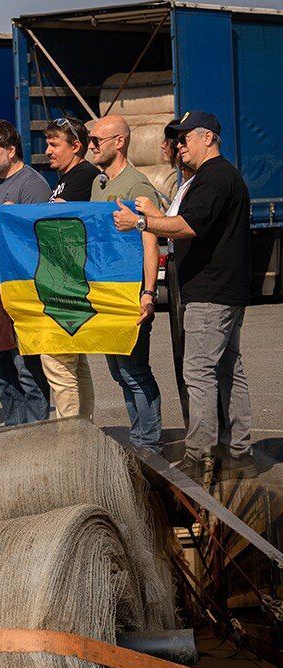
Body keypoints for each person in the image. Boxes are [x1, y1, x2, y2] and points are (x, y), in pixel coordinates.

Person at [114, 111, 253, 477]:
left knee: (199, 371)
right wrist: (154, 213)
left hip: (211, 290)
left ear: (208, 137)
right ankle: (239, 450)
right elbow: (183, 220)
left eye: (185, 137)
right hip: (222, 288)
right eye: (176, 139)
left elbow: (188, 226)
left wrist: (141, 221)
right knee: (227, 368)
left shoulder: (214, 179)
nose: (179, 145)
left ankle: (199, 454)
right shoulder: (211, 178)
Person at [0, 120, 52, 427]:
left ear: (11, 150)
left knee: (26, 369)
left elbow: (37, 237)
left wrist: (2, 213)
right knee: (0, 371)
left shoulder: (31, 184)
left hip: (21, 290)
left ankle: (36, 432)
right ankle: (14, 431)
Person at [91, 114, 163, 453]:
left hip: (129, 293)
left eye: (96, 141)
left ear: (119, 142)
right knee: (119, 373)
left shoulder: (137, 186)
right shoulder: (100, 183)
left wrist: (148, 293)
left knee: (135, 371)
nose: (90, 146)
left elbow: (152, 240)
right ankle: (139, 436)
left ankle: (147, 443)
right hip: (105, 292)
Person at [41, 116, 101, 420]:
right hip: (65, 281)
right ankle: (82, 428)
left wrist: (17, 212)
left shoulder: (83, 175)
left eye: (55, 144)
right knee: (73, 363)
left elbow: (58, 219)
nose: (48, 150)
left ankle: (70, 435)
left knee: (56, 360)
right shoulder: (67, 177)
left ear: (76, 146)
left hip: (68, 283)